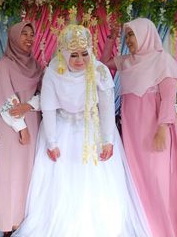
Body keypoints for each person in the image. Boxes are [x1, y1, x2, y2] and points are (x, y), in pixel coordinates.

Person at [13, 23, 151, 237]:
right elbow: (48, 107)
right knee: (61, 185)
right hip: (61, 130)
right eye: (74, 55)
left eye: (84, 54)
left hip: (93, 131)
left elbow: (106, 108)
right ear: (65, 54)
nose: (80, 61)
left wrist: (108, 140)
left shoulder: (99, 70)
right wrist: (51, 142)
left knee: (98, 186)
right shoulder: (54, 71)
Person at [101, 17, 177, 237]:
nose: (128, 40)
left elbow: (168, 99)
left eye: (132, 34)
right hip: (132, 133)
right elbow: (102, 63)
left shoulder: (163, 61)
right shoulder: (126, 61)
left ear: (145, 34)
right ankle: (144, 228)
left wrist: (162, 129)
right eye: (126, 35)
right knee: (137, 181)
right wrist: (110, 38)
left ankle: (163, 230)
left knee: (157, 181)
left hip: (155, 130)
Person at [0, 21, 43, 235]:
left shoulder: (37, 66)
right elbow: (5, 98)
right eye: (24, 34)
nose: (29, 38)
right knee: (12, 174)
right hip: (13, 127)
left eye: (31, 34)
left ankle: (27, 222)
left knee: (30, 174)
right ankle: (10, 224)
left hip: (34, 122)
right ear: (14, 37)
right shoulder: (5, 64)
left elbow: (46, 95)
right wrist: (21, 127)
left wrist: (30, 105)